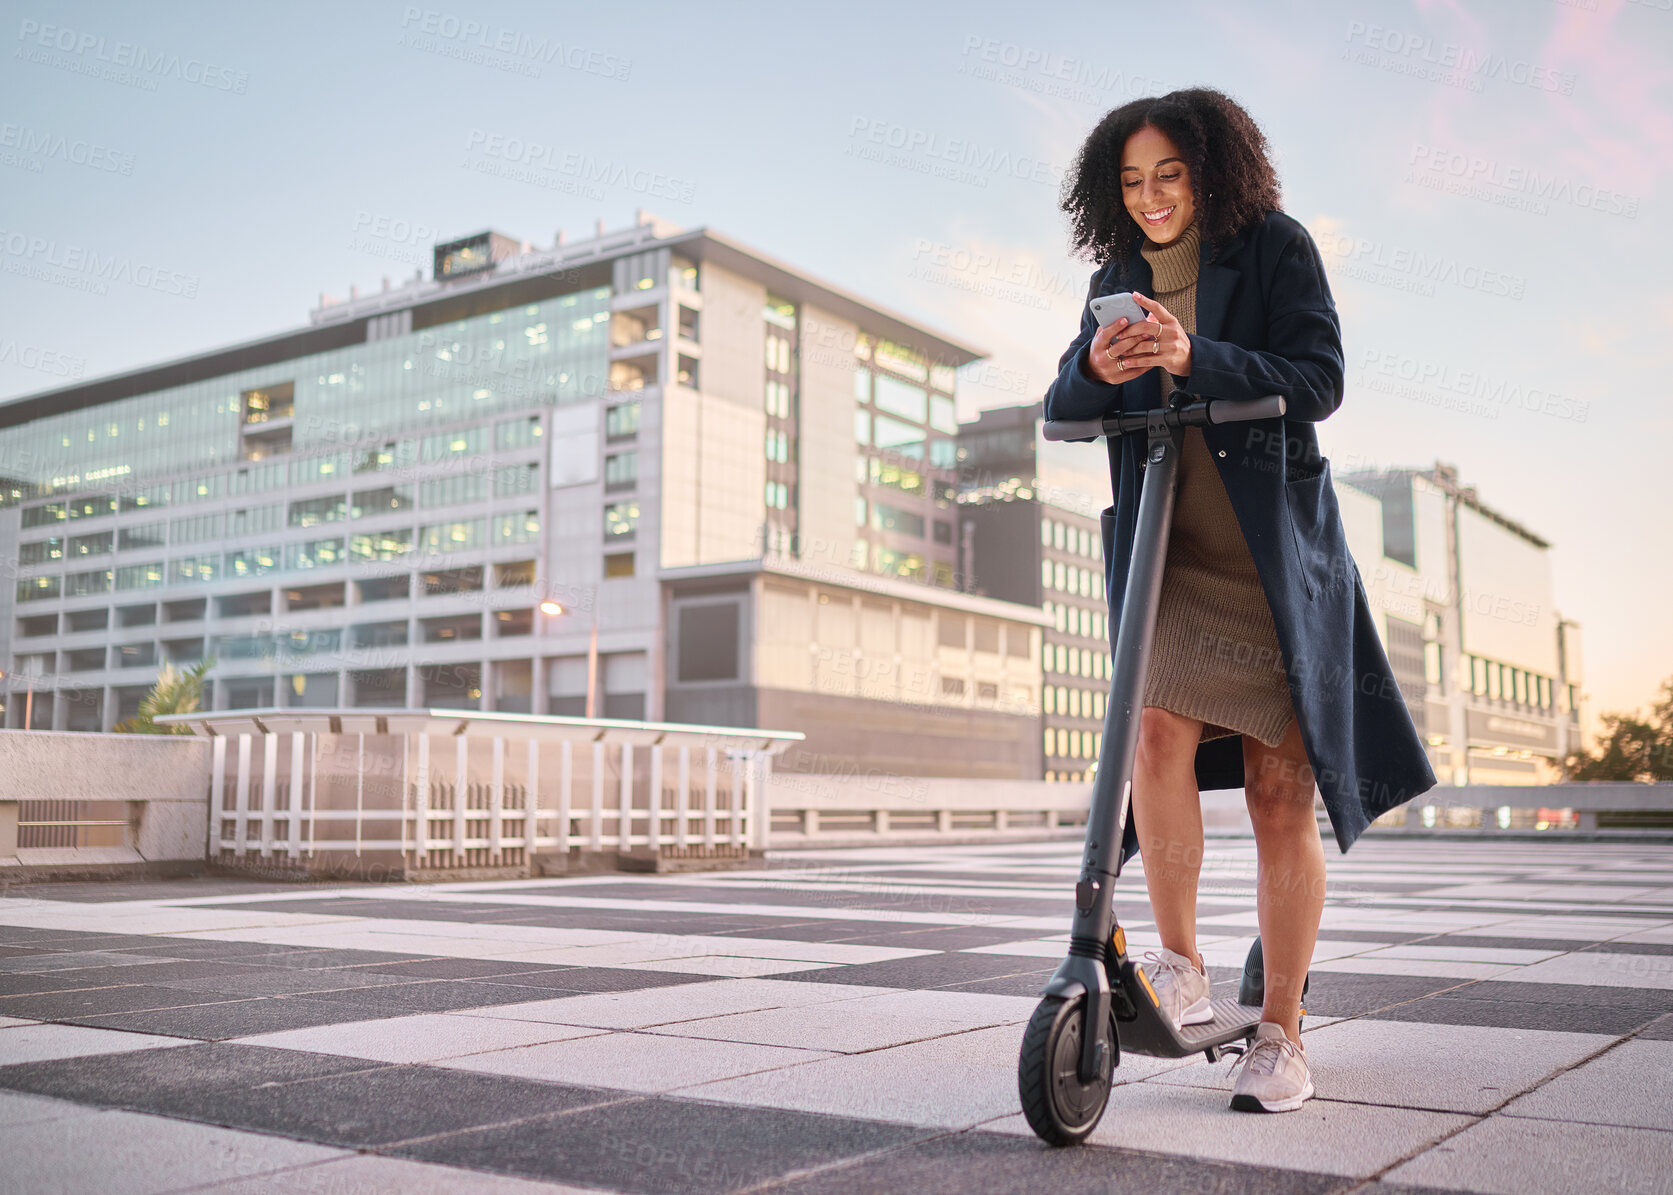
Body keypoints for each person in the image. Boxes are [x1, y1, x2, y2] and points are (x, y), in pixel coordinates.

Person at [1043, 88, 1436, 1113]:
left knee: (1275, 793)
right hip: (1165, 556)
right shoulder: (1114, 275)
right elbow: (1060, 403)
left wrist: (1192, 355)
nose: (1149, 196)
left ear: (1210, 169)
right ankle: (1178, 961)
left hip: (1268, 562)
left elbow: (1317, 377)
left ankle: (1281, 1032)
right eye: (1130, 181)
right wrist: (1097, 362)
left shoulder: (1273, 247)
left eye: (1168, 173)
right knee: (1155, 735)